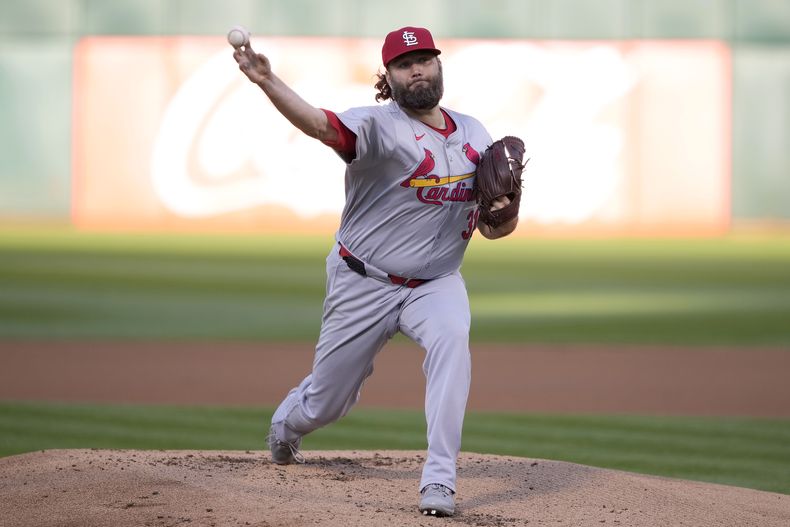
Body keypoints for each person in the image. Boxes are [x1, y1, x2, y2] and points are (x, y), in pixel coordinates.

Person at [233, 26, 518, 517]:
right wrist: (267, 82)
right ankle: (287, 425)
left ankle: (440, 482)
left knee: (453, 345)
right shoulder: (377, 127)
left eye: (425, 60)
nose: (417, 70)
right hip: (364, 281)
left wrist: (505, 208)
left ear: (438, 65)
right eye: (405, 64)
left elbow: (495, 232)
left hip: (437, 284)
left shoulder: (475, 134)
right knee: (327, 401)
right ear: (388, 77)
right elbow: (323, 126)